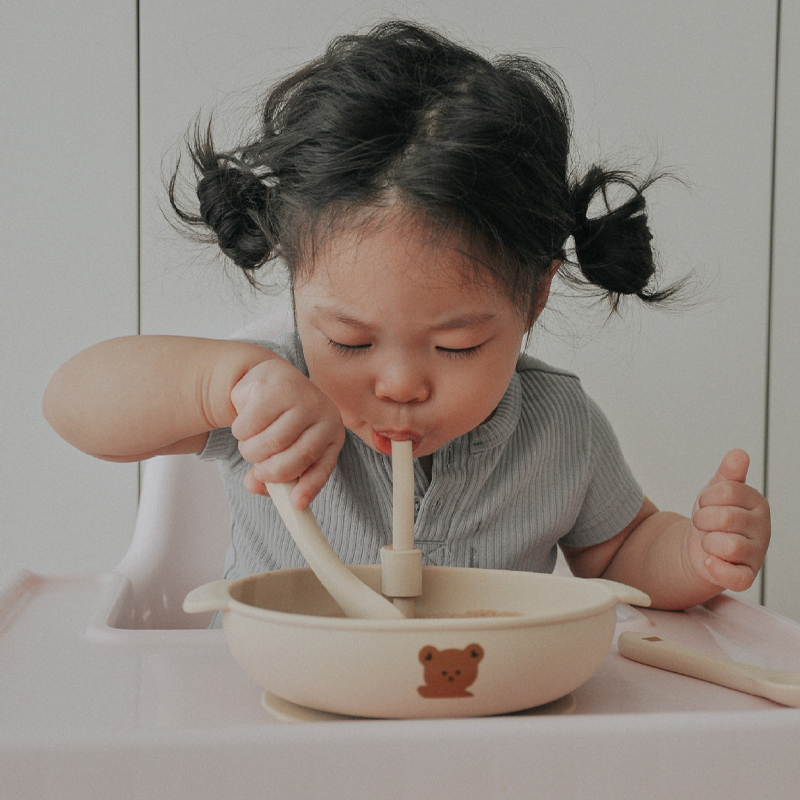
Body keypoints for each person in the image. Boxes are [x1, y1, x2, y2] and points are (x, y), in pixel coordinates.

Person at [43, 21, 770, 611]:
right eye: (349, 340)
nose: (398, 383)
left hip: (482, 731)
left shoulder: (560, 427)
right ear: (296, 287)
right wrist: (223, 382)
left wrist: (698, 554)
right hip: (281, 722)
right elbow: (73, 404)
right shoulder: (271, 403)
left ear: (536, 297)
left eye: (456, 346)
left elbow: (620, 553)